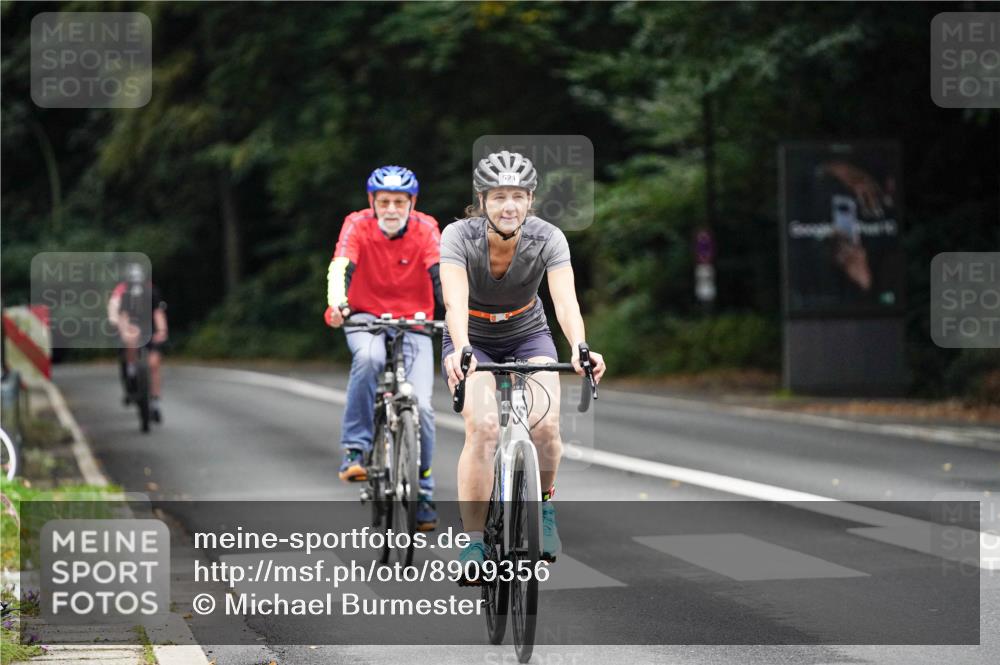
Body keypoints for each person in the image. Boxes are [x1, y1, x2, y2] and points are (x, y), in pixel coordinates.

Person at [440, 150, 606, 575]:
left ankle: (544, 509)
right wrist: (461, 349)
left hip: (527, 332)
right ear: (482, 201)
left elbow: (565, 302)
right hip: (471, 336)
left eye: (517, 195)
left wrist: (581, 346)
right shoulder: (458, 236)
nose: (509, 205)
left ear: (531, 200)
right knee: (484, 428)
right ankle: (475, 543)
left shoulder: (549, 237)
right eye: (498, 197)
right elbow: (454, 302)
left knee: (546, 425)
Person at [325, 165, 443, 531]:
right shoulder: (357, 224)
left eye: (399, 202)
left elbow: (440, 271)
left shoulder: (426, 228)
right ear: (372, 202)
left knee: (421, 406)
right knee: (369, 357)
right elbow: (340, 267)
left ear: (412, 203)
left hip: (416, 323)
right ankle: (355, 450)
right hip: (365, 319)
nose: (391, 209)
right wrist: (337, 303)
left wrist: (452, 312)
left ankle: (422, 487)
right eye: (384, 201)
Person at [107, 262, 168, 422]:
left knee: (154, 364)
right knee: (130, 343)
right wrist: (123, 329)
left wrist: (161, 331)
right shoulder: (123, 292)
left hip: (150, 329)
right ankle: (132, 371)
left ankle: (155, 401)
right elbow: (119, 313)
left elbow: (158, 313)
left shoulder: (151, 291)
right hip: (132, 328)